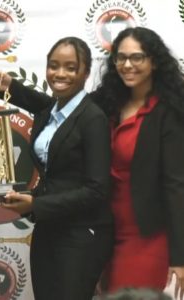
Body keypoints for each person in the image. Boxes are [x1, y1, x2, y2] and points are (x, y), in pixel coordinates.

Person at [0, 37, 114, 300]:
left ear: (85, 72)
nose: (60, 74)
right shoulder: (51, 111)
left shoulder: (93, 118)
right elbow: (40, 103)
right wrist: (8, 86)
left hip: (81, 235)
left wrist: (35, 205)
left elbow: (97, 191)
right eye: (53, 65)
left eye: (71, 68)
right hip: (49, 229)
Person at [92, 26, 184, 298]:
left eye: (137, 57)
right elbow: (65, 109)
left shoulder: (169, 112)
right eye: (121, 58)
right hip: (104, 231)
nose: (127, 65)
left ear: (154, 62)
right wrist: (13, 89)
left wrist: (179, 257)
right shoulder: (108, 103)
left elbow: (176, 185)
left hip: (147, 235)